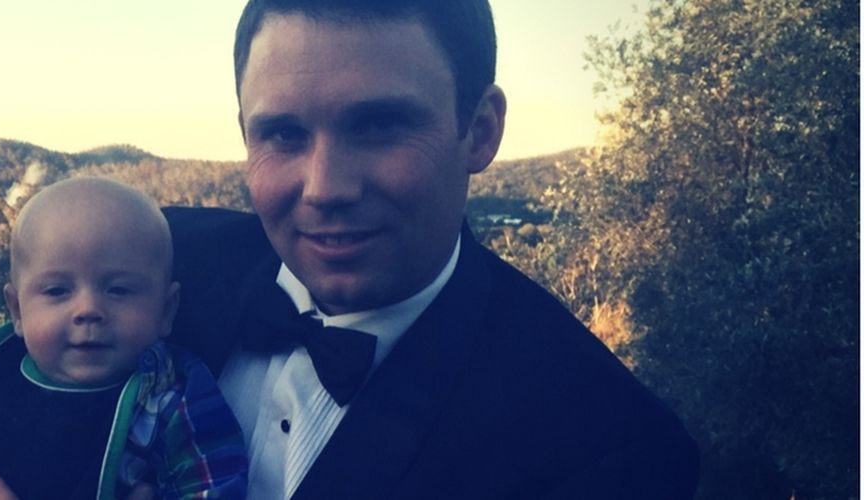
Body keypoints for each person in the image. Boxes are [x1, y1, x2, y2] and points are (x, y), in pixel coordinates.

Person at [152, 0, 701, 498]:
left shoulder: (609, 446)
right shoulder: (151, 264)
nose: (325, 188)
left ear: (480, 130)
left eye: (379, 126)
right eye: (283, 134)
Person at [0, 178, 248, 500]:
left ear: (166, 310)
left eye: (119, 290)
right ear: (17, 310)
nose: (88, 309)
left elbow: (214, 487)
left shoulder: (169, 400)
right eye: (57, 290)